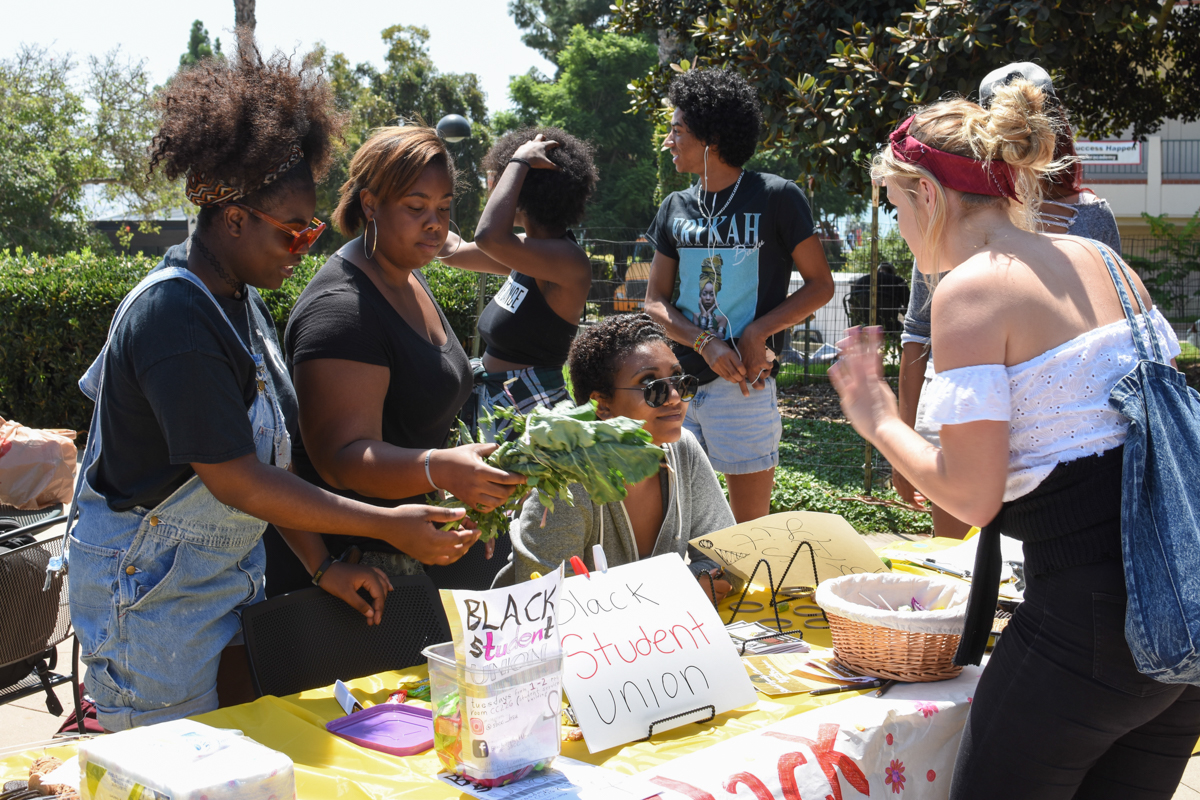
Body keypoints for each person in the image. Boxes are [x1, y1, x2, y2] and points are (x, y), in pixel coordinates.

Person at [66, 39, 479, 732]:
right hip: (149, 608)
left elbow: (270, 462)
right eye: (292, 233)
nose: (306, 249)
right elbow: (238, 482)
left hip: (218, 589)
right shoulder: (174, 316)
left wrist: (320, 568)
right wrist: (387, 526)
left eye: (311, 230)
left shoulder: (235, 296)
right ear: (233, 219)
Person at [829, 79, 1195, 798]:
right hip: (1183, 605)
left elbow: (970, 496)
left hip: (1095, 628)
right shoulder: (1107, 264)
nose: (900, 229)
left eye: (896, 206)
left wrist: (877, 418)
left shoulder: (973, 289)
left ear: (928, 195)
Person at [265, 124, 526, 595]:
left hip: (412, 559)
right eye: (415, 207)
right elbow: (341, 460)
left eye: (444, 208)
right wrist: (442, 468)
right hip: (353, 576)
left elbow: (410, 426)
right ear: (370, 205)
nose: (435, 223)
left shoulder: (404, 274)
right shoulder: (343, 309)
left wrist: (463, 496)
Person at [894, 62, 1122, 539]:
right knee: (960, 573)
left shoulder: (1091, 221)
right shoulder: (1097, 254)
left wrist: (881, 425)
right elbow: (917, 332)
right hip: (970, 415)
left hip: (1057, 468)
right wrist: (909, 435)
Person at [644, 68, 834, 523]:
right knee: (678, 520)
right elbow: (654, 302)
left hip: (745, 389)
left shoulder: (777, 197)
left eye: (677, 131)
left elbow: (821, 285)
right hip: (678, 389)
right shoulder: (674, 207)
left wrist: (758, 332)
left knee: (749, 530)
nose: (669, 141)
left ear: (711, 138)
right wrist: (704, 343)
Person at [493, 314, 736, 604]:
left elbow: (729, 561)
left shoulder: (684, 449)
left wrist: (672, 593)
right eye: (650, 384)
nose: (673, 396)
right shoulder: (568, 480)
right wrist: (677, 592)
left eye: (680, 380)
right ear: (602, 405)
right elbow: (548, 601)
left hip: (659, 641)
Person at [442, 128, 597, 441]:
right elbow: (452, 252)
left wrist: (519, 161)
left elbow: (486, 236)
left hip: (532, 416)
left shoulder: (567, 262)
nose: (495, 190)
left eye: (501, 181)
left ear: (523, 189)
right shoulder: (526, 251)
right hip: (502, 408)